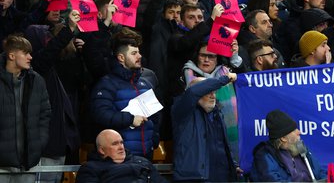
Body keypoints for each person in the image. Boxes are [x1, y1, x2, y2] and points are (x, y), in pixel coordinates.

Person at [91, 29, 160, 158]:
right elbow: (100, 115)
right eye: (134, 53)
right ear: (121, 57)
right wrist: (130, 119)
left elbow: (155, 118)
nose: (139, 56)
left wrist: (153, 141)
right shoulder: (107, 84)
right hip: (121, 159)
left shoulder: (146, 84)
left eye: (139, 52)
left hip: (146, 157)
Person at [0, 35, 51, 183]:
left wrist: (38, 143)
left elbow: (45, 114)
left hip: (28, 163)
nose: (30, 57)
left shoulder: (36, 80)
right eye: (25, 53)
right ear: (11, 55)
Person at [171, 76, 240, 182]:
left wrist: (232, 166)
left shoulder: (218, 113)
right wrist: (224, 79)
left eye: (214, 92)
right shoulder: (183, 111)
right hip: (196, 178)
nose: (213, 96)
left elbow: (222, 145)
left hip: (222, 176)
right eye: (208, 91)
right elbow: (193, 91)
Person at [251, 109, 326, 182]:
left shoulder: (301, 148)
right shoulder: (265, 155)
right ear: (283, 138)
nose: (299, 132)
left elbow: (320, 172)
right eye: (294, 130)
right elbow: (272, 180)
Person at [76, 129, 166, 183]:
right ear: (101, 150)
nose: (121, 147)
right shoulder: (90, 168)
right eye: (115, 144)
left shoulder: (141, 161)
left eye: (121, 143)